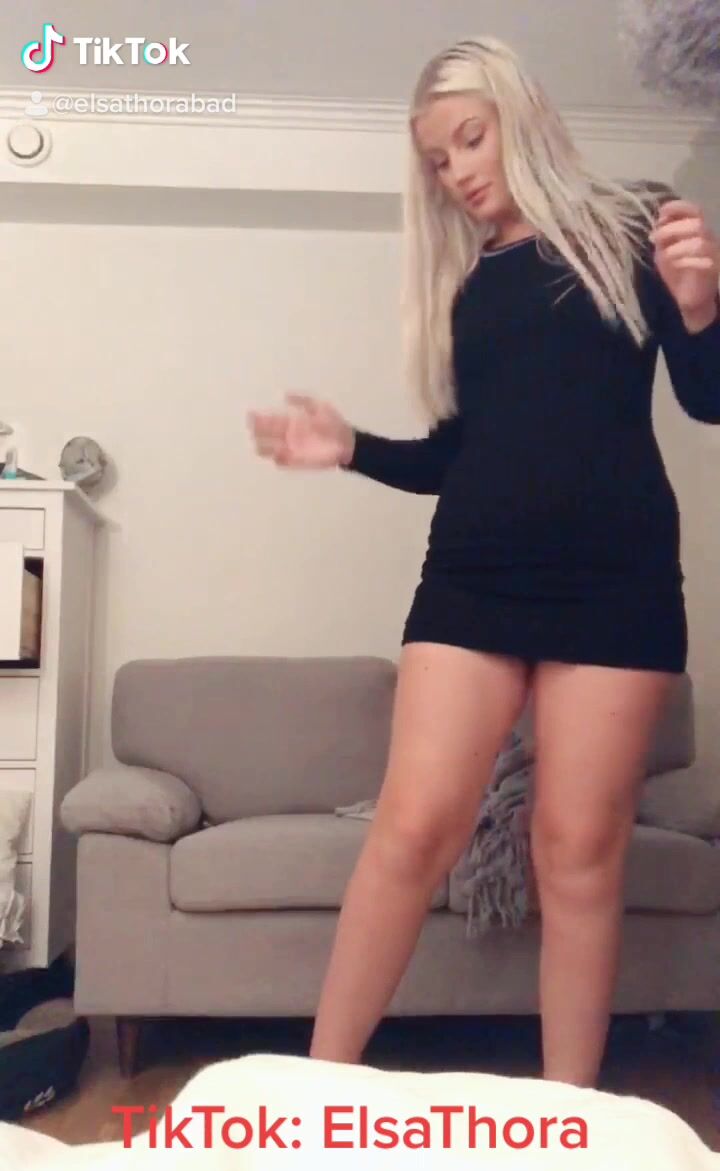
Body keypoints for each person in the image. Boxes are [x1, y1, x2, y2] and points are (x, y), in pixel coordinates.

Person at [247, 36, 720, 1087]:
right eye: (438, 160)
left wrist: (701, 305)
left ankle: (566, 1120)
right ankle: (320, 1091)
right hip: (471, 578)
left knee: (577, 853)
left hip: (618, 586)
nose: (458, 171)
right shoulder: (469, 285)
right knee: (413, 828)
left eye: (470, 138)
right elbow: (461, 455)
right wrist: (352, 448)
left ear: (520, 114)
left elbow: (708, 396)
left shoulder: (633, 223)